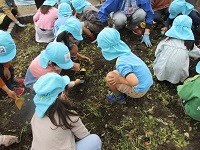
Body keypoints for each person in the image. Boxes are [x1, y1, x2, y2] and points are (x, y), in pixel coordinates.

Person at [31, 72, 102, 149]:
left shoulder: (36, 116)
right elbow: (84, 136)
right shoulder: (68, 115)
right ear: (63, 95)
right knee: (94, 140)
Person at [96, 28, 153, 103]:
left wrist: (119, 80)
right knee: (115, 73)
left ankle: (118, 97)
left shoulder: (121, 63)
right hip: (146, 84)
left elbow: (134, 82)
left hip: (138, 91)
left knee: (110, 77)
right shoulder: (127, 53)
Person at [153, 15, 200, 84]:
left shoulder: (166, 40)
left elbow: (157, 53)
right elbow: (197, 54)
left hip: (161, 71)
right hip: (177, 76)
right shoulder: (189, 44)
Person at [0, 30, 24, 99]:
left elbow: (5, 54)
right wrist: (7, 90)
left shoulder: (3, 38)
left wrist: (6, 67)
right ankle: (9, 86)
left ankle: (12, 80)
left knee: (10, 69)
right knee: (1, 75)